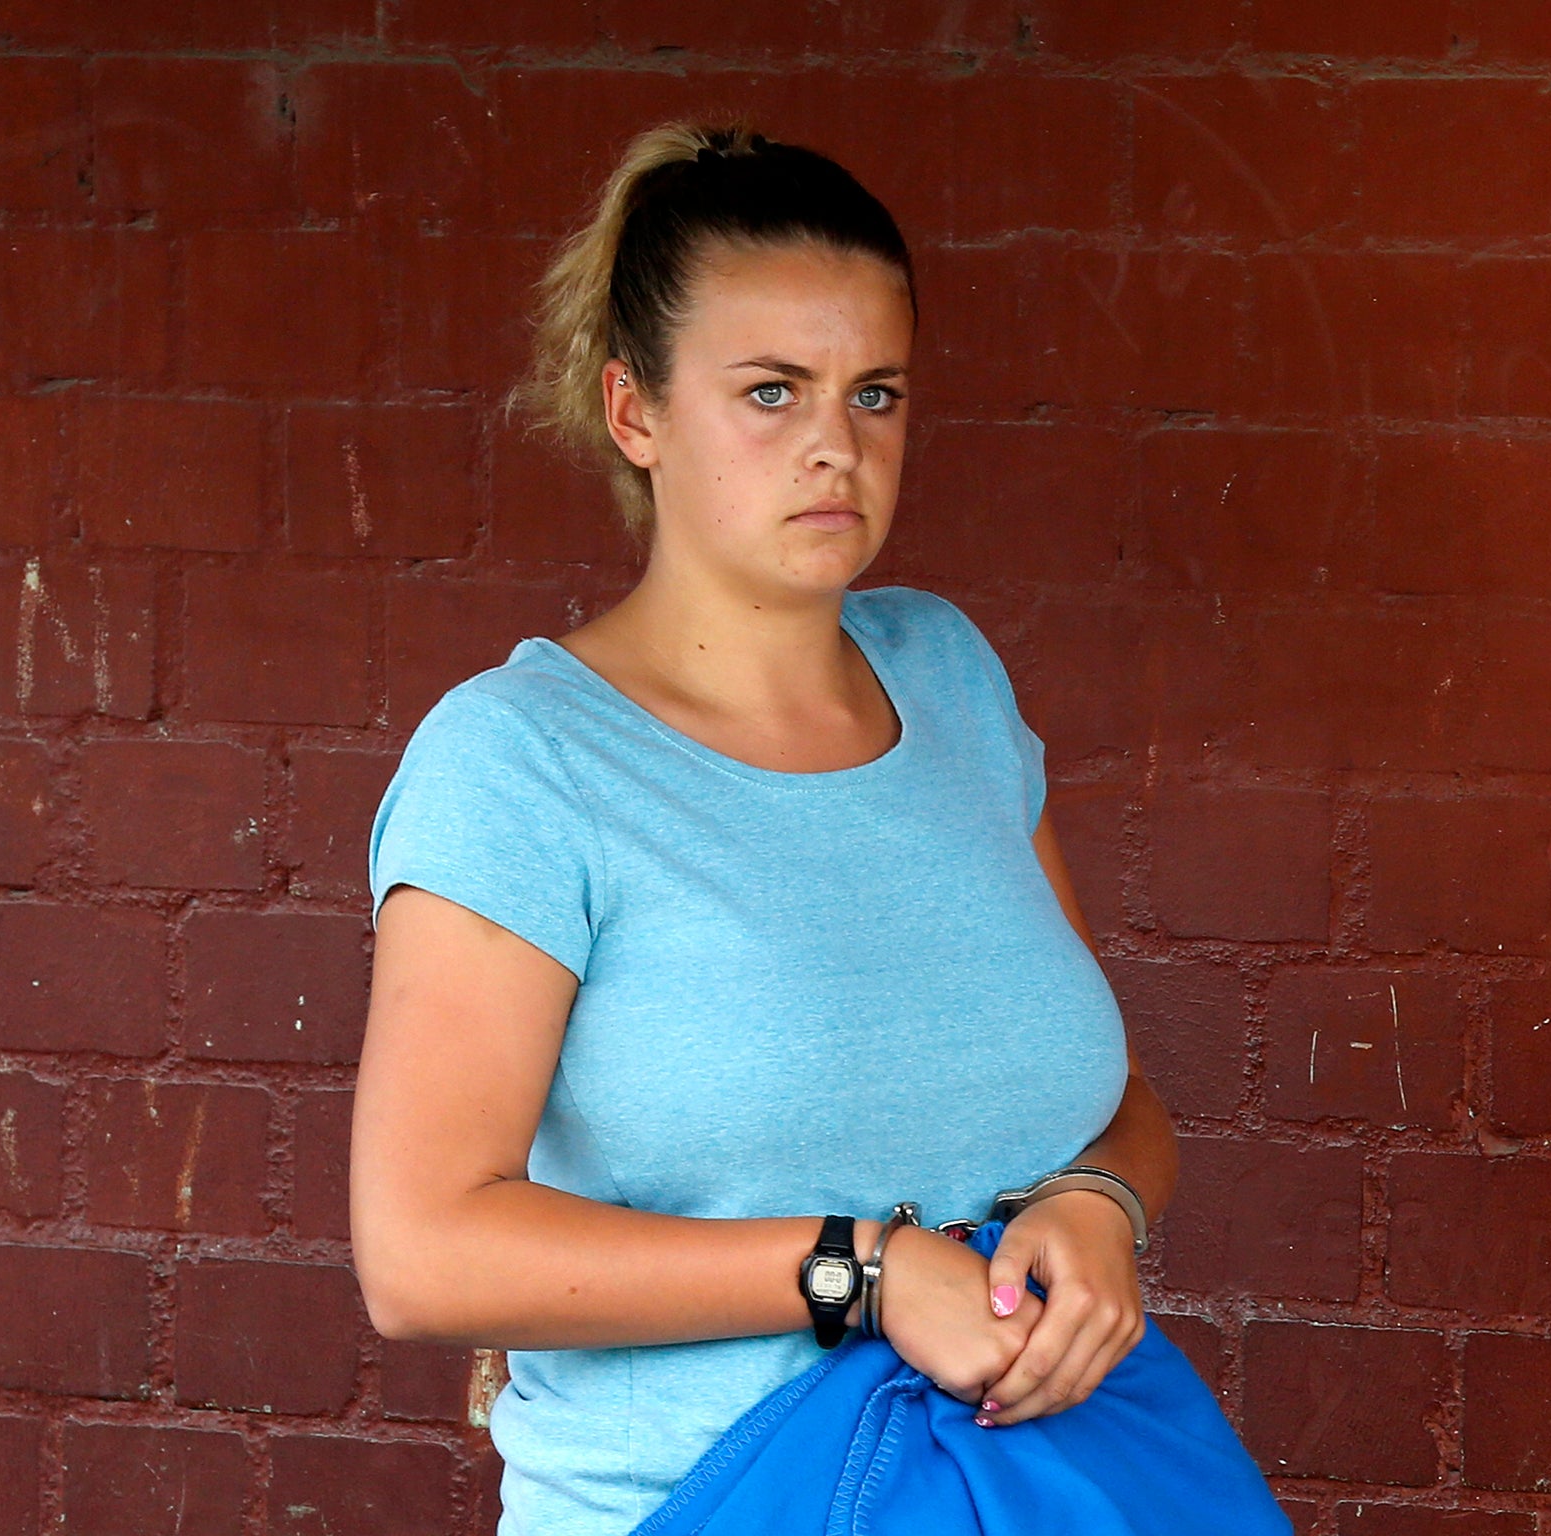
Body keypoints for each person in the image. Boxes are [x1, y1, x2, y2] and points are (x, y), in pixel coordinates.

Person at [350, 121, 1182, 1536]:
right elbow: (420, 1250)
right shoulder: (522, 761)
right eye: (770, 392)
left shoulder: (951, 679)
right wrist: (859, 1270)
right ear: (635, 413)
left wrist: (1101, 1205)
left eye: (874, 394)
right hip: (697, 1504)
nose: (833, 448)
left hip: (1027, 1491)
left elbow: (1106, 1095)